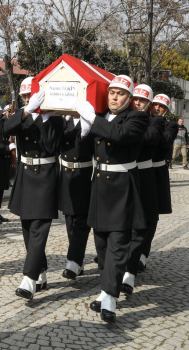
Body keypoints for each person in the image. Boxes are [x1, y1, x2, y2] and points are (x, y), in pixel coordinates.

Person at [75, 75, 148, 323]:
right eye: (112, 92)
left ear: (129, 98)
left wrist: (92, 120)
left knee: (118, 244)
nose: (115, 97)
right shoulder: (102, 117)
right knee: (102, 246)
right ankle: (106, 289)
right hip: (99, 188)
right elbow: (84, 151)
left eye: (121, 94)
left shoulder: (138, 117)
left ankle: (109, 297)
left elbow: (119, 135)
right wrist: (82, 131)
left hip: (122, 189)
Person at [5, 76, 62, 301]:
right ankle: (40, 272)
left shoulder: (54, 118)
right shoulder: (23, 115)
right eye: (25, 96)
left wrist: (46, 118)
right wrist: (27, 111)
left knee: (39, 228)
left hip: (45, 176)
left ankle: (29, 279)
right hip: (25, 176)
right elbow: (5, 128)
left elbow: (51, 146)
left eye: (31, 95)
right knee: (28, 228)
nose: (28, 99)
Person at [120, 84, 165, 295]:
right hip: (124, 174)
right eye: (135, 99)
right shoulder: (123, 116)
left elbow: (152, 137)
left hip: (145, 176)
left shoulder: (154, 120)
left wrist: (125, 133)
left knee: (141, 224)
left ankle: (131, 270)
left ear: (148, 104)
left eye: (142, 101)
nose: (138, 103)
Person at [139, 94, 178, 271]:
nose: (156, 108)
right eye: (154, 105)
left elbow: (166, 140)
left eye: (161, 107)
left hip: (157, 172)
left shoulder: (170, 125)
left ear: (167, 110)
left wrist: (153, 129)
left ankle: (142, 254)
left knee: (152, 216)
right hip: (140, 170)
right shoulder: (142, 119)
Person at [59, 109, 95, 280]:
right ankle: (78, 262)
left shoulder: (90, 118)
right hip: (65, 174)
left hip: (84, 174)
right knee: (70, 220)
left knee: (81, 220)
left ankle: (73, 260)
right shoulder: (62, 121)